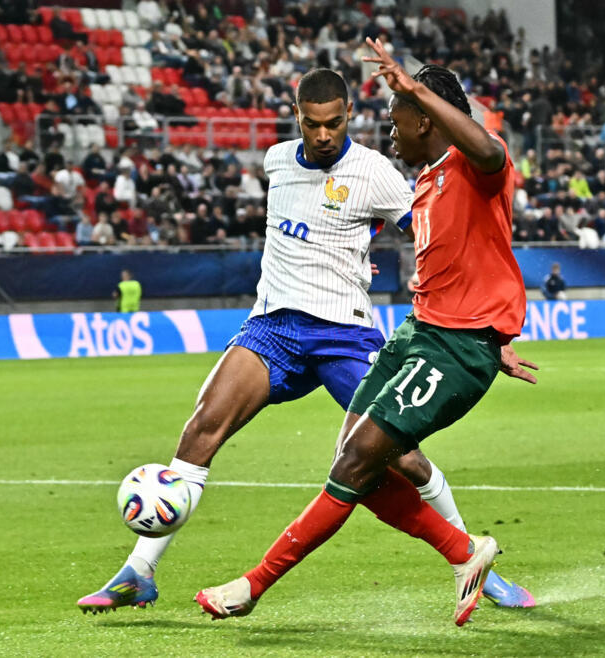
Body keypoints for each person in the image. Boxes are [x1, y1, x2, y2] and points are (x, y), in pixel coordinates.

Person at [77, 67, 534, 616]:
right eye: (313, 124)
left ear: (348, 118)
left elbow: (451, 235)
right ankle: (139, 571)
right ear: (297, 118)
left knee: (402, 459)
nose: (323, 135)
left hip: (345, 332)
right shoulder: (275, 162)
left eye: (335, 124)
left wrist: (484, 328)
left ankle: (480, 568)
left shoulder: (378, 172)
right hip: (273, 326)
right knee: (201, 428)